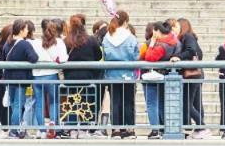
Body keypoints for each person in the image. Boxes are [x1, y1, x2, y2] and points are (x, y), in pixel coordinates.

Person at [101, 11, 139, 139]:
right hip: (128, 74)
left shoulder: (107, 37)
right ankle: (129, 129)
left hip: (112, 74)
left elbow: (105, 56)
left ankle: (116, 129)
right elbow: (136, 56)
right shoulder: (130, 37)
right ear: (126, 22)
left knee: (115, 102)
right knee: (128, 102)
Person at [63, 15, 103, 137]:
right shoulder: (90, 40)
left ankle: (72, 127)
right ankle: (84, 128)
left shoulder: (66, 41)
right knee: (86, 100)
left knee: (72, 100)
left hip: (70, 75)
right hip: (87, 75)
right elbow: (99, 56)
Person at [141, 20, 178, 138]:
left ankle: (155, 130)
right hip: (166, 75)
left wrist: (151, 42)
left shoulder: (161, 45)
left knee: (152, 103)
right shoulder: (174, 41)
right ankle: (163, 128)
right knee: (162, 103)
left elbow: (149, 57)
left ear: (157, 31)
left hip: (154, 76)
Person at [31, 19, 68, 136]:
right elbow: (63, 58)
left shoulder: (35, 42)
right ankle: (54, 125)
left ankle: (41, 129)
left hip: (37, 75)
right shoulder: (58, 42)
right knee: (54, 102)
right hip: (52, 74)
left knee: (39, 103)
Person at [4, 19, 38, 139]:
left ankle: (14, 129)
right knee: (19, 105)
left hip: (9, 78)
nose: (27, 31)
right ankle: (14, 130)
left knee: (14, 104)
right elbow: (34, 58)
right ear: (22, 30)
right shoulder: (24, 44)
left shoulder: (8, 43)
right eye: (26, 29)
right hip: (21, 79)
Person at [176, 18, 209, 138]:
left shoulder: (188, 37)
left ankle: (202, 126)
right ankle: (200, 129)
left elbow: (191, 51)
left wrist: (178, 57)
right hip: (196, 73)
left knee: (187, 103)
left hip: (191, 74)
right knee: (195, 102)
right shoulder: (191, 37)